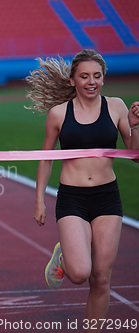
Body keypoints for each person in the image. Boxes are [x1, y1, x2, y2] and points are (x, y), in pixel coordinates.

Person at [27, 49, 139, 332]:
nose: (92, 82)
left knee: (101, 278)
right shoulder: (59, 113)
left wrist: (136, 128)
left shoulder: (115, 107)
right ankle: (63, 256)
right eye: (85, 76)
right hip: (72, 199)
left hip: (106, 198)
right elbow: (46, 157)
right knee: (79, 273)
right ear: (73, 80)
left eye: (97, 76)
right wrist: (39, 200)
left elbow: (134, 154)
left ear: (104, 79)